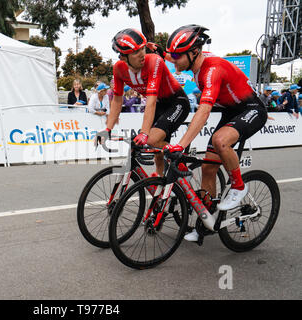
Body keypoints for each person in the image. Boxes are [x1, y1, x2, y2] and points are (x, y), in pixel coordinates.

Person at [164, 25, 268, 241]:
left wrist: (181, 144)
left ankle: (239, 186)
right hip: (231, 111)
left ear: (194, 53)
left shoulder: (211, 70)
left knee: (220, 140)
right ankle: (205, 224)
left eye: (176, 55)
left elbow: (203, 112)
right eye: (171, 55)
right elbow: (169, 54)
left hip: (251, 109)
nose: (172, 59)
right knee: (208, 169)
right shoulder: (196, 64)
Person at [96, 28, 190, 177]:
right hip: (159, 103)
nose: (142, 54)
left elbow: (151, 100)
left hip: (177, 102)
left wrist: (144, 133)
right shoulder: (119, 69)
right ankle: (161, 185)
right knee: (157, 153)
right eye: (135, 52)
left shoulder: (154, 61)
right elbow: (117, 101)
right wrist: (107, 129)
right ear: (123, 57)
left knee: (151, 140)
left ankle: (180, 160)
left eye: (142, 48)